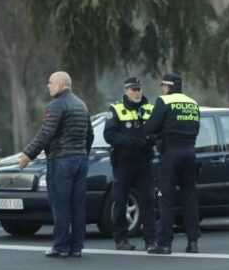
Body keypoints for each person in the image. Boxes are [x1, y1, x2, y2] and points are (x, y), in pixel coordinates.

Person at [19, 71, 94, 258]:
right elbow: (89, 135)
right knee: (77, 205)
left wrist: (28, 154)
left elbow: (46, 133)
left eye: (51, 83)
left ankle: (60, 246)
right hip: (80, 160)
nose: (48, 86)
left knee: (60, 205)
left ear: (61, 85)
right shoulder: (81, 104)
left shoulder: (56, 105)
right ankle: (77, 247)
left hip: (61, 161)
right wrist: (83, 153)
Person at [144, 72, 200, 254]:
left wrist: (156, 136)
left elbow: (151, 127)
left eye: (163, 86)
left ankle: (164, 243)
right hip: (190, 152)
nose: (162, 89)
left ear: (168, 87)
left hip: (171, 154)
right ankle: (193, 243)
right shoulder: (192, 103)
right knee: (189, 198)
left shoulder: (164, 101)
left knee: (166, 198)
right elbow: (197, 128)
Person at [103, 76, 156, 251]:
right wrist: (129, 141)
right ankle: (121, 239)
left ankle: (150, 240)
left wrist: (148, 140)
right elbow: (109, 134)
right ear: (126, 91)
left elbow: (158, 132)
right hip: (123, 162)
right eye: (133, 89)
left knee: (148, 200)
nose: (137, 92)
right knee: (120, 200)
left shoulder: (150, 109)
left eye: (139, 89)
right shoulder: (116, 108)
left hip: (144, 162)